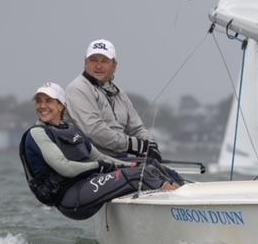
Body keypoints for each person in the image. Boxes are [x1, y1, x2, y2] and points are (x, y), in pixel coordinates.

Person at [19, 82, 181, 220]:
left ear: (61, 105)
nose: (42, 106)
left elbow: (98, 156)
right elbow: (65, 168)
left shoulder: (71, 129)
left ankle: (185, 188)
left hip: (87, 184)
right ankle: (180, 207)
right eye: (39, 101)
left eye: (48, 101)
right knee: (139, 175)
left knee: (148, 165)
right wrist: (98, 166)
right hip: (69, 198)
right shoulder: (37, 133)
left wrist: (129, 164)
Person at [65, 38, 163, 161]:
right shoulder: (78, 88)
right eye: (93, 60)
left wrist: (151, 144)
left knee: (165, 174)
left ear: (114, 66)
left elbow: (137, 128)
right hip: (91, 162)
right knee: (154, 176)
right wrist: (136, 145)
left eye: (104, 61)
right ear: (85, 62)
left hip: (119, 160)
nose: (98, 65)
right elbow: (94, 131)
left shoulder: (119, 94)